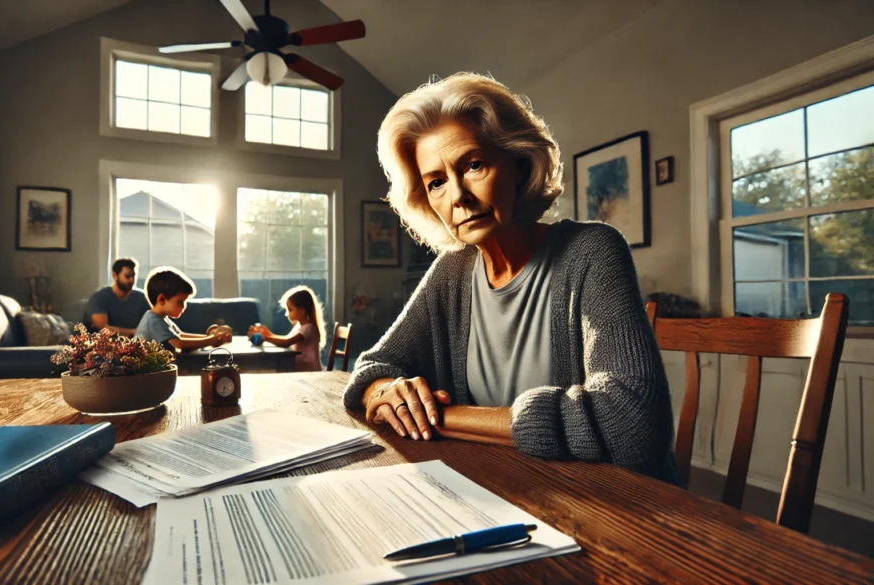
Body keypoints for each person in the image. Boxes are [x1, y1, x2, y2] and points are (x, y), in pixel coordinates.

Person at [342, 72, 678, 483]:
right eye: (436, 183)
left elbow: (632, 426)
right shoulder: (452, 271)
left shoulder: (592, 251)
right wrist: (385, 392)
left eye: (473, 165)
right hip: (504, 492)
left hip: (617, 506)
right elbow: (374, 365)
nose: (458, 197)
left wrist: (442, 417)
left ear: (519, 164)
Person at [134, 267, 231, 352]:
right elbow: (178, 343)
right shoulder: (153, 321)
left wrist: (211, 338)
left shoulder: (162, 318)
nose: (184, 306)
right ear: (162, 299)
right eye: (180, 301)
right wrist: (211, 340)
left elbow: (180, 335)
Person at [248, 286, 325, 372]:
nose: (287, 314)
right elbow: (286, 339)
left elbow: (287, 342)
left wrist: (265, 337)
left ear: (302, 310)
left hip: (309, 371)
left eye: (290, 310)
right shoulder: (300, 326)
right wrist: (267, 333)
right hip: (300, 369)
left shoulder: (308, 328)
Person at [88, 258, 152, 337]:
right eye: (127, 276)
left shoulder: (142, 297)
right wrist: (133, 332)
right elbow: (103, 329)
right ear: (115, 275)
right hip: (108, 344)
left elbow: (151, 324)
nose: (131, 280)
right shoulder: (100, 297)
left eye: (133, 276)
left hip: (138, 344)